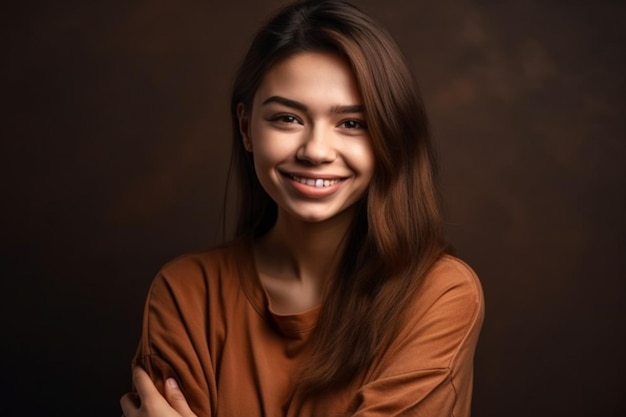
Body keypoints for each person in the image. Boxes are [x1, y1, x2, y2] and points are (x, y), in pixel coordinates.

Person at [120, 0, 484, 416]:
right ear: (246, 128)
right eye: (288, 119)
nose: (316, 151)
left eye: (352, 123)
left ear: (390, 137)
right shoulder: (185, 292)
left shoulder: (439, 294)